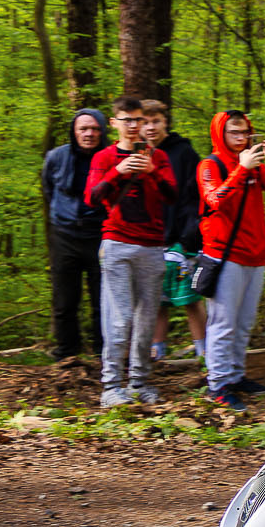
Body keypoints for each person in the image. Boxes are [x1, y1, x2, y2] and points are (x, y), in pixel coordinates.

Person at [197, 110, 265, 408]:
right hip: (224, 253)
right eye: (234, 133)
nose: (240, 138)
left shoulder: (253, 163)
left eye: (245, 133)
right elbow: (215, 200)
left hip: (256, 253)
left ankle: (236, 376)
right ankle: (218, 384)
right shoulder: (209, 165)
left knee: (244, 323)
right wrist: (241, 168)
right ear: (220, 134)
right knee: (223, 323)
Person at [84, 98, 176, 407]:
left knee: (146, 319)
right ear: (114, 123)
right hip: (117, 244)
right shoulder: (105, 157)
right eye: (127, 120)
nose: (134, 126)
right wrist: (118, 171)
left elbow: (173, 195)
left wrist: (153, 171)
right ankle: (111, 386)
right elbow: (91, 198)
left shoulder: (158, 156)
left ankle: (139, 382)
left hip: (152, 245)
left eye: (138, 120)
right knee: (119, 318)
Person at [40, 107, 108, 361]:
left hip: (101, 234)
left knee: (103, 297)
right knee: (65, 299)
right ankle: (67, 354)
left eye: (95, 129)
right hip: (64, 235)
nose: (89, 134)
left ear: (102, 131)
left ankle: (104, 352)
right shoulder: (56, 157)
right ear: (74, 131)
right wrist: (63, 215)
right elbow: (49, 188)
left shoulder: (110, 157)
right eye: (83, 129)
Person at [143, 100, 207, 365]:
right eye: (145, 122)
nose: (150, 127)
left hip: (183, 239)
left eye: (155, 121)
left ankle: (205, 353)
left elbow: (195, 198)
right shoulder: (137, 154)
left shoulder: (184, 153)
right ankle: (157, 353)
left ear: (165, 122)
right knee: (156, 300)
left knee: (190, 297)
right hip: (151, 239)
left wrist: (187, 237)